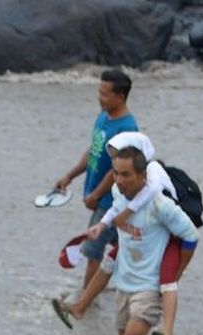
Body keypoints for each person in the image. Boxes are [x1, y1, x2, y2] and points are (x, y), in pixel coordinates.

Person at [52, 132, 190, 335]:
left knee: (167, 282)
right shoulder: (126, 182)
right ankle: (81, 306)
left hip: (165, 235)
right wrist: (104, 224)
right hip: (139, 232)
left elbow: (144, 200)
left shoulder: (152, 176)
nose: (116, 170)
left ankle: (166, 332)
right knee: (108, 263)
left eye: (120, 159)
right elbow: (120, 206)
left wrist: (180, 268)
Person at [107, 146, 198, 335]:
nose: (119, 180)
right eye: (116, 173)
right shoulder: (117, 195)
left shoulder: (160, 205)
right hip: (125, 282)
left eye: (125, 174)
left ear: (142, 176)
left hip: (150, 285)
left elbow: (191, 236)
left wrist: (178, 272)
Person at [55, 69, 138, 289]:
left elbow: (117, 170)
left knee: (93, 249)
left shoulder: (127, 128)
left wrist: (96, 194)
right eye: (99, 92)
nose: (99, 98)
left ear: (120, 97)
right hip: (100, 196)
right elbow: (94, 150)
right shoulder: (103, 117)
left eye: (104, 94)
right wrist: (70, 175)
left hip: (112, 200)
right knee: (123, 245)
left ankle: (85, 302)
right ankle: (135, 283)